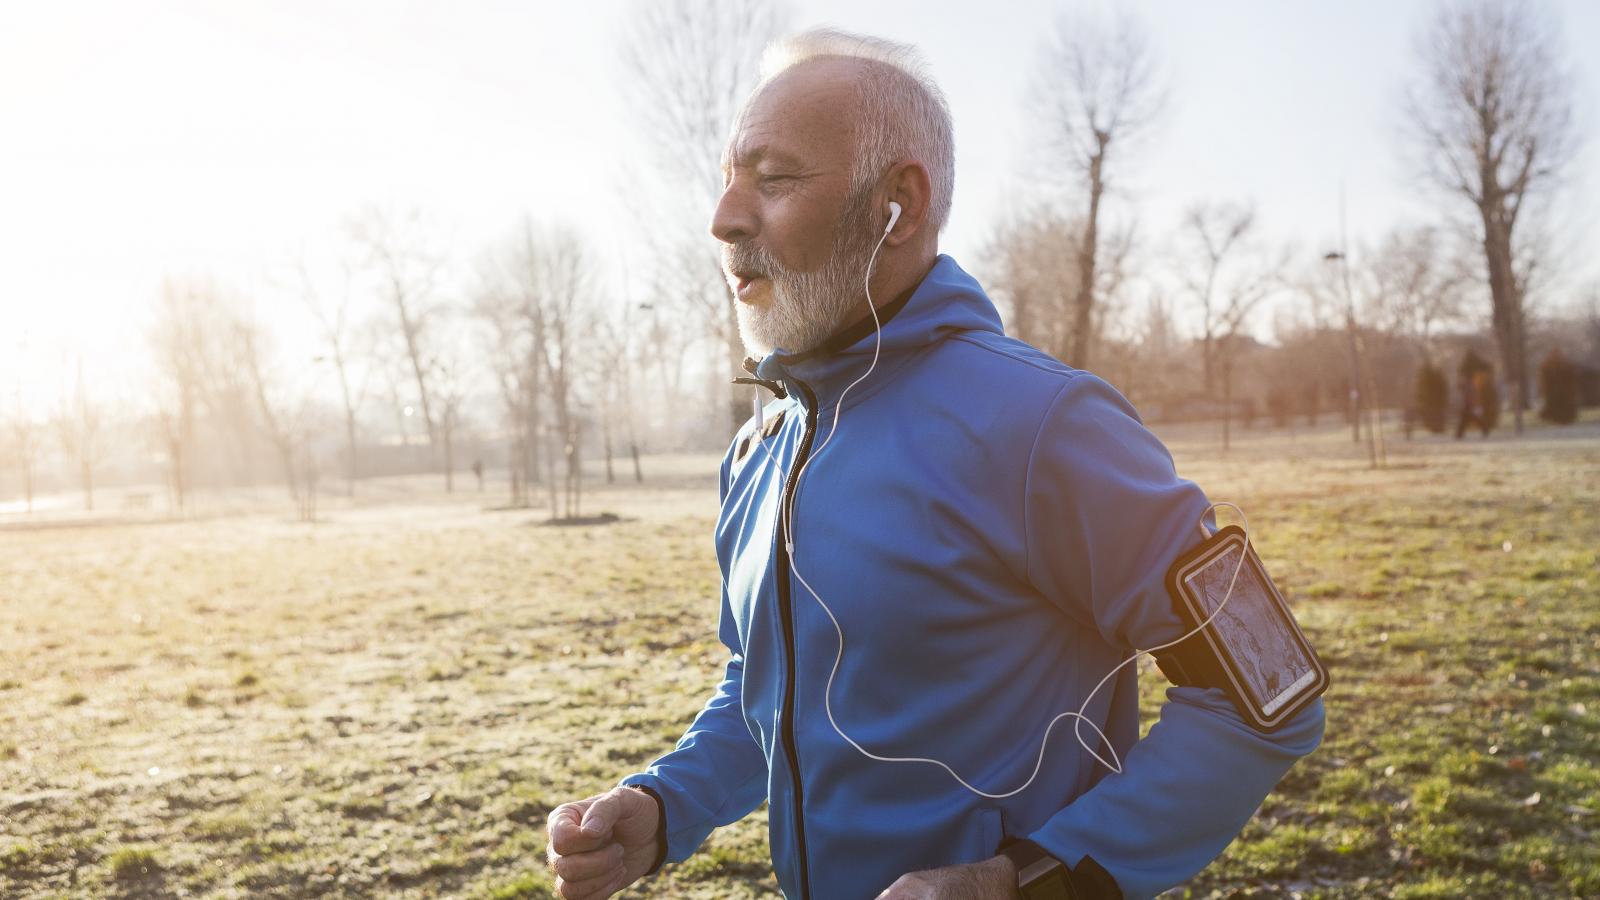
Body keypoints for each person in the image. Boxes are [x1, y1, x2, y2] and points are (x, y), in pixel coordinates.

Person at [546, 29, 1324, 900]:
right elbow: (769, 692)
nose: (724, 217)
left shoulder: (1047, 424)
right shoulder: (759, 451)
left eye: (773, 178)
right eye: (728, 179)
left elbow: (1268, 694)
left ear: (898, 206)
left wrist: (1024, 883)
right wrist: (665, 804)